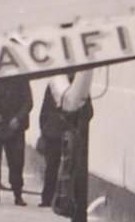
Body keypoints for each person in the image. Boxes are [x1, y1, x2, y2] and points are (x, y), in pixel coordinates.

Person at [38, 69, 95, 210]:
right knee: (52, 167)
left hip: (67, 135)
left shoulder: (79, 90)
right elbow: (45, 109)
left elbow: (87, 112)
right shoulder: (55, 87)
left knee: (67, 168)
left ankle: (60, 198)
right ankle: (49, 197)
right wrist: (45, 129)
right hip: (55, 134)